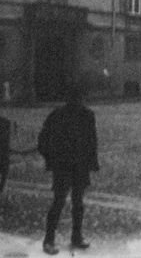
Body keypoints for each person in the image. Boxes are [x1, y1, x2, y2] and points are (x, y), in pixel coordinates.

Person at [37, 82, 99, 255]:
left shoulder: (82, 116)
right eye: (76, 98)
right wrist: (53, 159)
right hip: (66, 166)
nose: (78, 101)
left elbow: (91, 141)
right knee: (61, 202)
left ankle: (74, 237)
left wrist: (91, 162)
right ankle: (50, 240)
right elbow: (43, 141)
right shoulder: (60, 116)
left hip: (75, 166)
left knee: (74, 203)